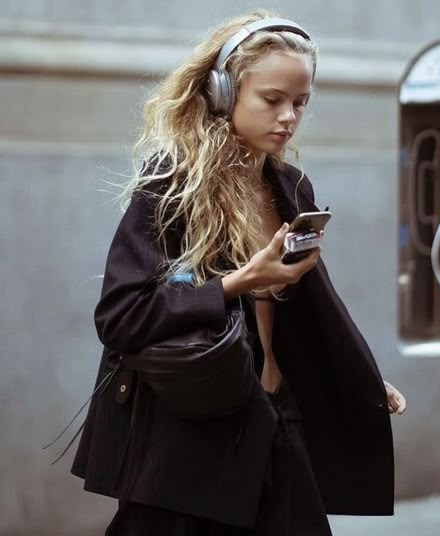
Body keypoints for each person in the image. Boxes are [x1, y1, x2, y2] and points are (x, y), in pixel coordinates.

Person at [71, 9, 406, 535]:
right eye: (272, 100)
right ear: (225, 93)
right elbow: (121, 316)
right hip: (193, 434)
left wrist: (356, 374)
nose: (289, 116)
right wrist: (239, 282)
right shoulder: (172, 183)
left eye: (300, 103)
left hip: (276, 417)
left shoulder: (291, 187)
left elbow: (312, 307)